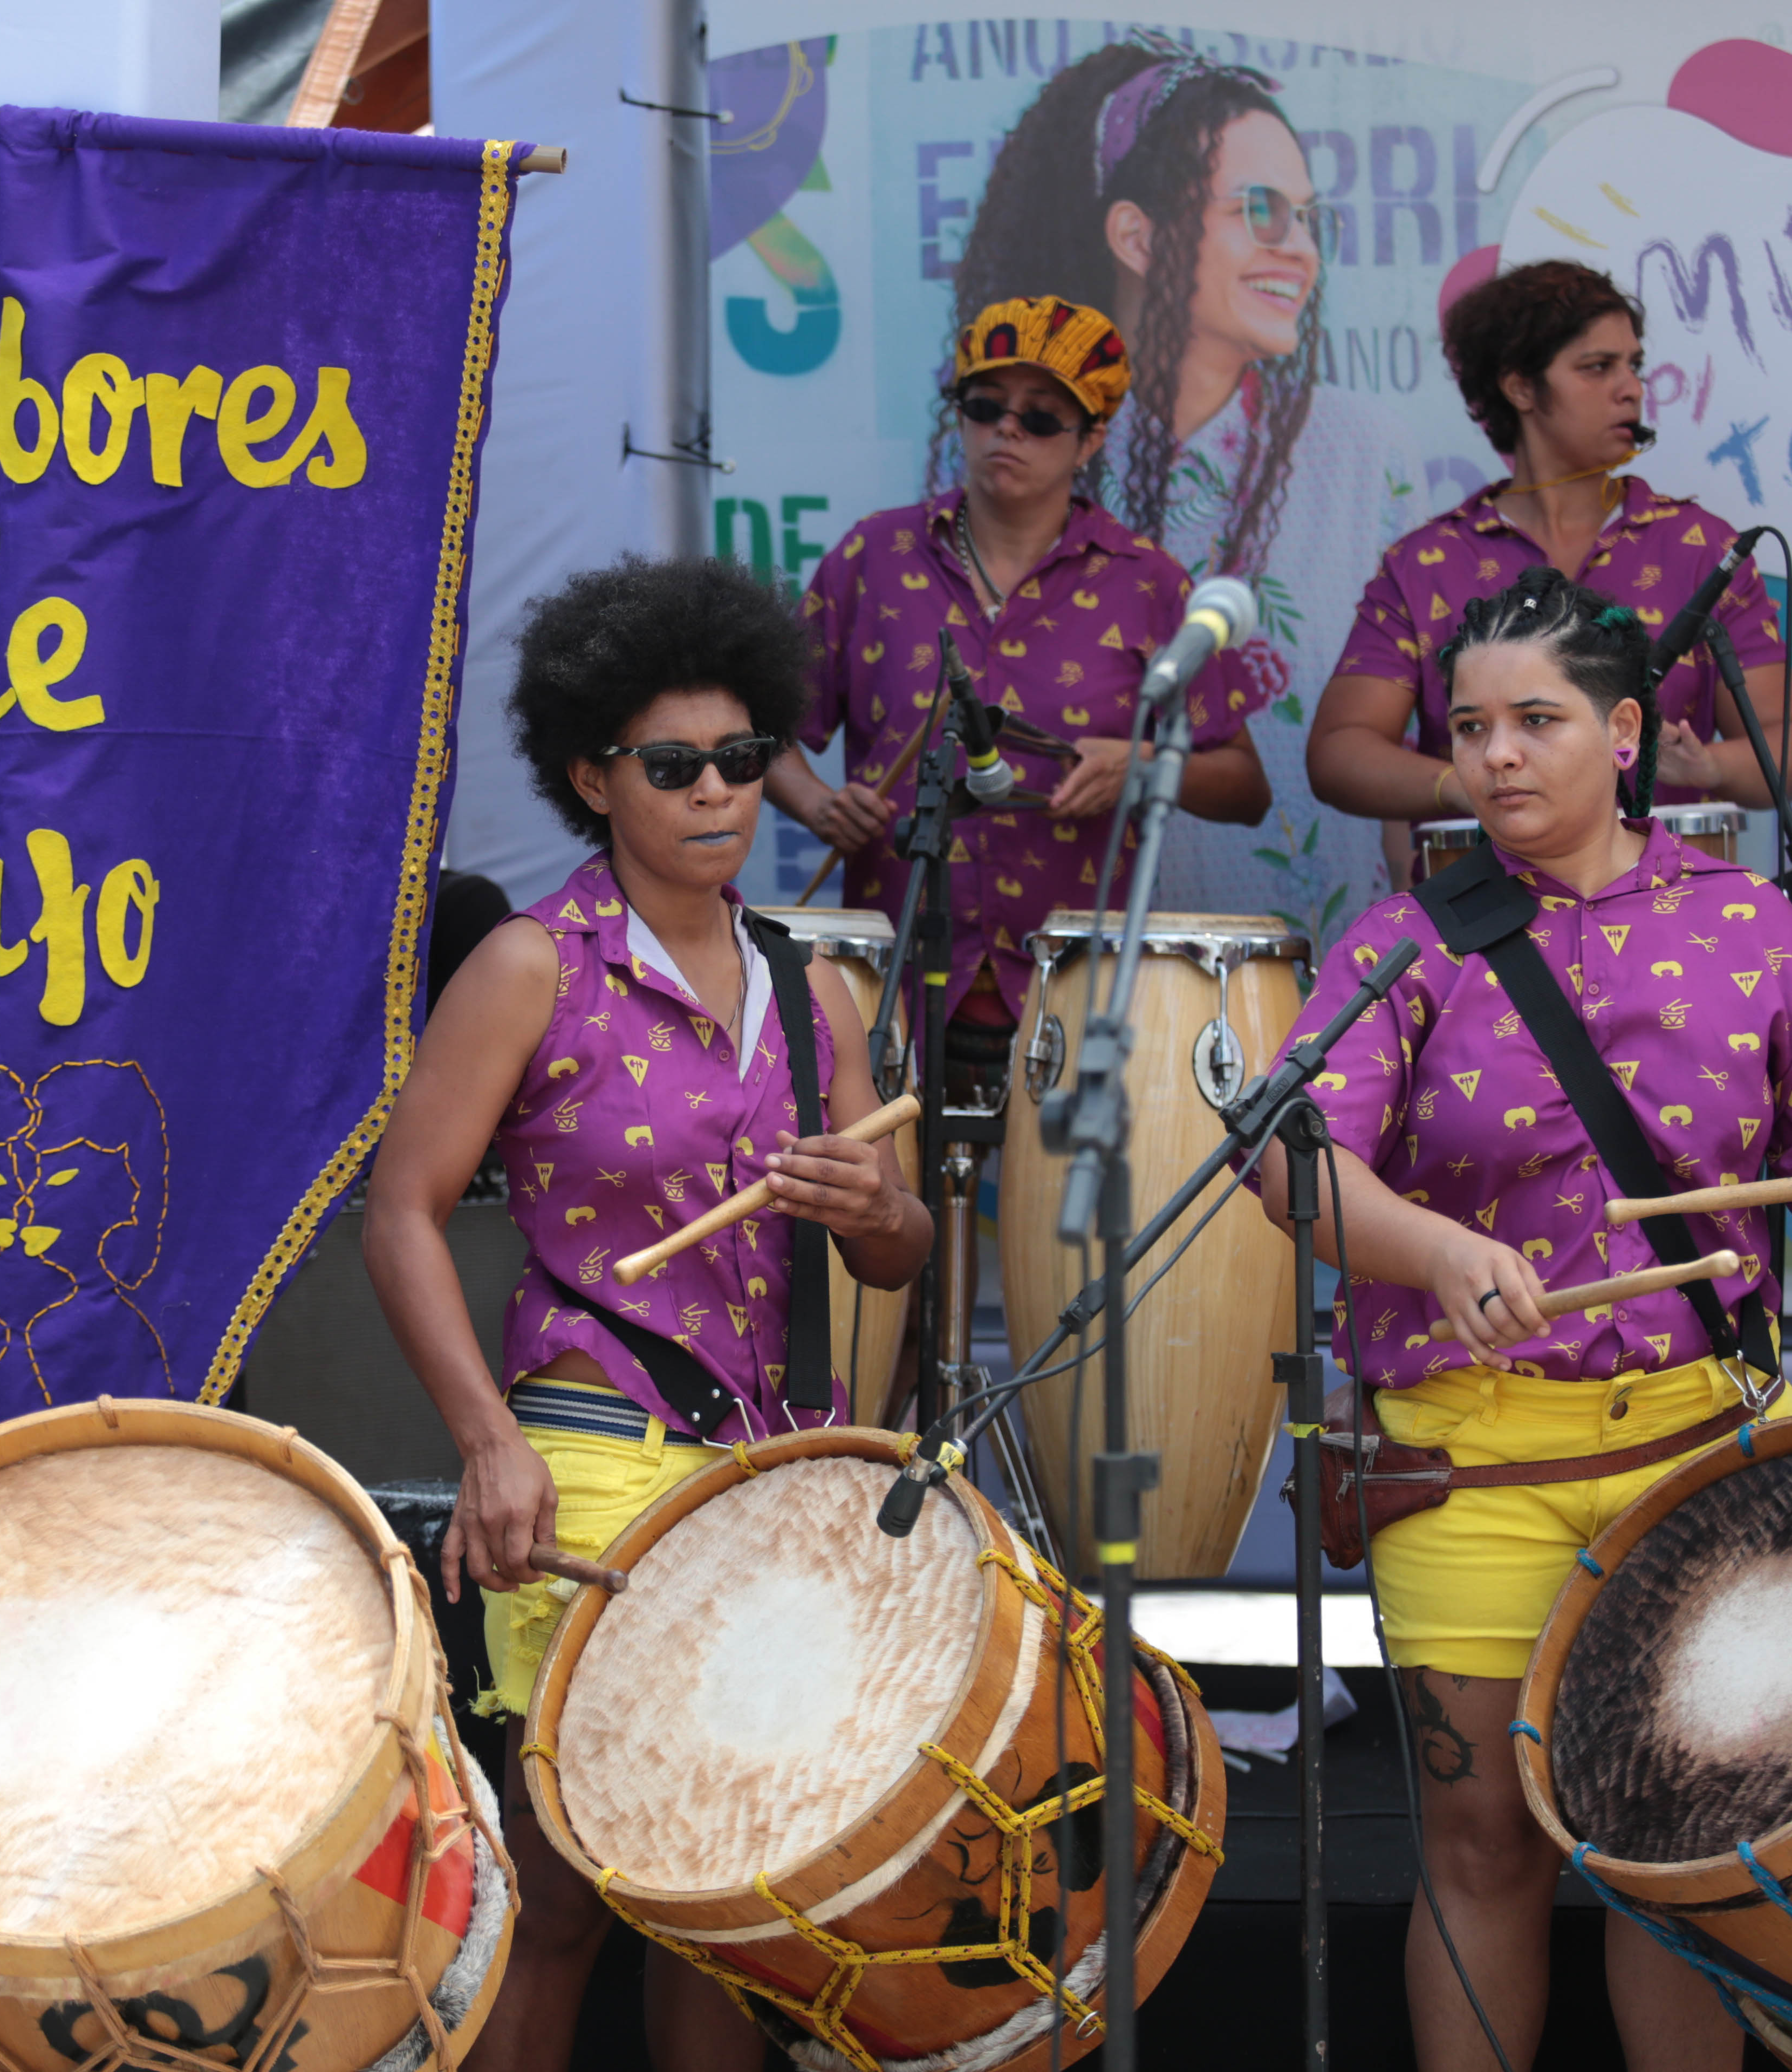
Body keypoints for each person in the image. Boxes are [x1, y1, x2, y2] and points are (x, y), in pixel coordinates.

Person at [1262, 567, 1792, 2070]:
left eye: (1534, 720)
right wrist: (1431, 1249)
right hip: (1467, 1457)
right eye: (1467, 726)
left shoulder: (1751, 923)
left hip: (1701, 1447)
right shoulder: (1405, 940)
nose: (1492, 754)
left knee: (1678, 1841)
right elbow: (1289, 1160)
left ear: (1623, 735)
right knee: (1481, 1840)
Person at [365, 556, 934, 2072]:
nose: (717, 791)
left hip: (771, 1473)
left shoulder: (812, 990)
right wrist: (487, 1443)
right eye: (672, 765)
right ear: (590, 777)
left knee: (729, 1894)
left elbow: (898, 1252)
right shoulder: (530, 964)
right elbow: (402, 1210)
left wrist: (872, 1209)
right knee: (560, 1892)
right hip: (594, 1446)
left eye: (741, 758)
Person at [948, 38, 1420, 934]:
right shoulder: (1031, 446)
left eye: (1308, 218)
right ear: (1137, 236)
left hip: (1328, 974)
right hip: (1078, 963)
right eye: (1261, 211)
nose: (1299, 249)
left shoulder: (1365, 453)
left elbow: (1406, 738)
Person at [768, 291, 1269, 1041]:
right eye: (985, 406)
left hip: (1078, 987)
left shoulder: (1148, 582)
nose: (1007, 428)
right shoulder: (874, 557)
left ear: (1091, 439)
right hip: (893, 983)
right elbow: (759, 731)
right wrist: (814, 803)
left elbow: (1246, 786)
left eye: (1040, 418)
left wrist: (1139, 765)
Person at [1310, 258, 1792, 885]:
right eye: (1598, 367)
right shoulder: (1426, 563)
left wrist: (1709, 767)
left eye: (1633, 365)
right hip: (1486, 921)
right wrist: (1465, 783)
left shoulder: (1700, 549)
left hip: (1670, 920)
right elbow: (1339, 752)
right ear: (1521, 389)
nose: (1631, 389)